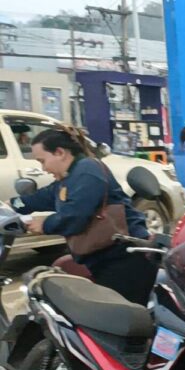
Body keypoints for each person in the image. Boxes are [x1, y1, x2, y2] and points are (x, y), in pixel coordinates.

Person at [12, 127, 157, 305]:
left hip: (125, 259)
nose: (43, 168)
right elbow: (40, 198)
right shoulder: (68, 179)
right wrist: (11, 205)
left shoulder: (87, 170)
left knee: (121, 317)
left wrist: (45, 223)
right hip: (105, 258)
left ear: (60, 153)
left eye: (43, 161)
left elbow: (75, 216)